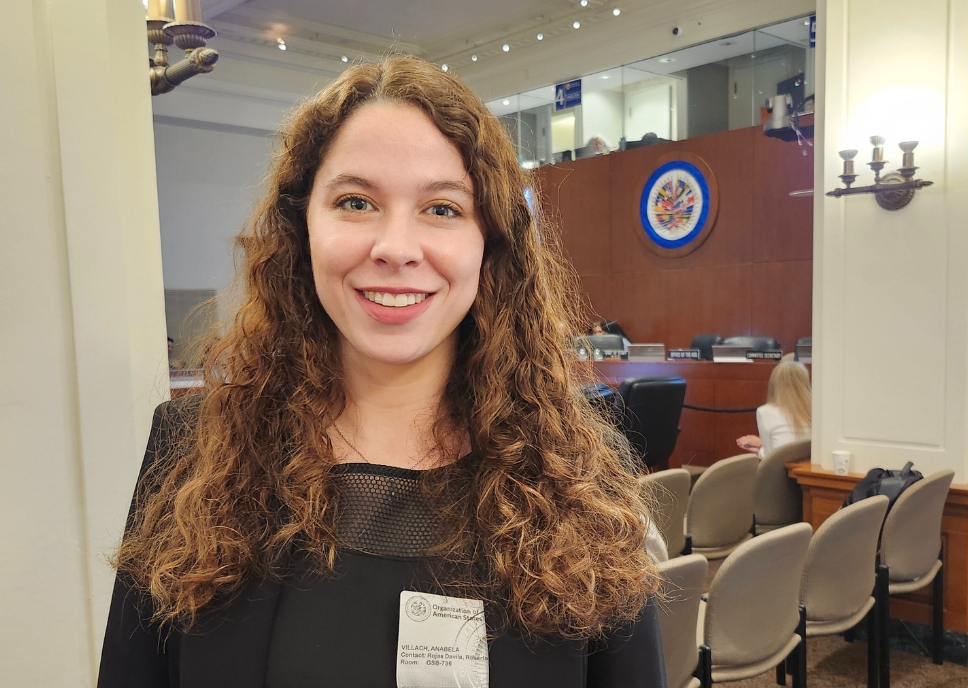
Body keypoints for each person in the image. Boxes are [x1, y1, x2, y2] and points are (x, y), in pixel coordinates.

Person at [98, 56, 665, 688]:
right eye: (356, 201)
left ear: (491, 240)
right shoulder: (191, 453)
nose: (395, 247)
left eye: (442, 209)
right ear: (301, 226)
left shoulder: (575, 476)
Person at [736, 360, 811, 458]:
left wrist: (759, 450)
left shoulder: (764, 412)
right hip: (811, 470)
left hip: (781, 470)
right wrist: (762, 444)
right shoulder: (818, 410)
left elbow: (769, 457)